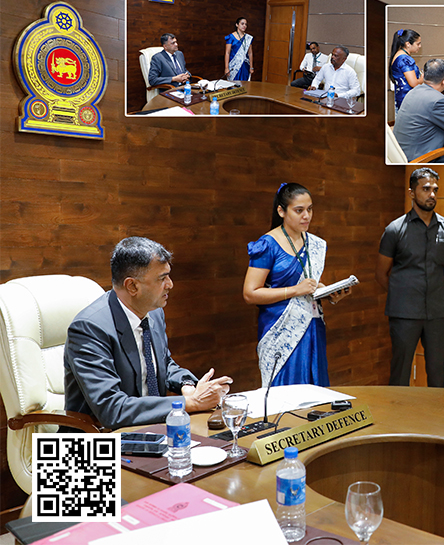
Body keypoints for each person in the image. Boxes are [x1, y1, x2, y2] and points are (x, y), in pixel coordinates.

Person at [64, 237, 232, 430]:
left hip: (148, 428)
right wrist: (190, 403)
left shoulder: (153, 312)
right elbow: (112, 409)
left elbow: (163, 363)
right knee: (186, 457)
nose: (170, 284)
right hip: (86, 443)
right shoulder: (88, 328)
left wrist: (187, 386)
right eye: (162, 278)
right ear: (132, 286)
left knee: (222, 448)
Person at [243, 183, 351, 387]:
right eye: (299, 210)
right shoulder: (268, 244)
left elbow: (307, 284)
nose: (307, 216)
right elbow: (250, 293)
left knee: (315, 389)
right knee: (285, 394)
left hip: (312, 325)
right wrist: (295, 290)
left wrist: (325, 292)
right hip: (280, 328)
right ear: (281, 211)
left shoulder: (315, 243)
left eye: (310, 209)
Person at [376, 168, 444, 388]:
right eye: (425, 189)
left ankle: (436, 419)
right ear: (412, 192)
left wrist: (434, 292)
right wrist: (403, 293)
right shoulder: (395, 230)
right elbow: (381, 274)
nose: (431, 194)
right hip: (403, 312)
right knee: (400, 372)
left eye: (435, 189)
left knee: (436, 371)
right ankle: (398, 419)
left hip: (437, 312)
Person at [389, 29, 423, 110]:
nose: (420, 46)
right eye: (418, 44)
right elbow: (414, 83)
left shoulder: (400, 55)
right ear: (408, 44)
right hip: (408, 100)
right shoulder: (404, 59)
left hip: (403, 98)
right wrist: (422, 78)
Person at [224, 17, 253, 81]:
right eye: (242, 24)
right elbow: (227, 53)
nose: (244, 26)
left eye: (245, 24)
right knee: (233, 85)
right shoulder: (231, 37)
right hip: (234, 65)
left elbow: (250, 53)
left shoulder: (248, 38)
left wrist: (251, 67)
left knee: (245, 86)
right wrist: (226, 68)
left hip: (245, 65)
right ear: (237, 25)